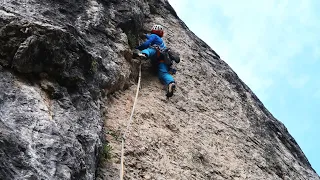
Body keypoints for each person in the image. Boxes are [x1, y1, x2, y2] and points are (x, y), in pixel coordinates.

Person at [135, 24, 177, 97]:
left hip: (156, 52)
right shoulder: (161, 41)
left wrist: (139, 48)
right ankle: (171, 83)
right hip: (163, 60)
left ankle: (143, 54)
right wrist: (145, 35)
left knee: (150, 50)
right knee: (163, 74)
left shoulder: (154, 36)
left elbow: (147, 43)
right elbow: (148, 37)